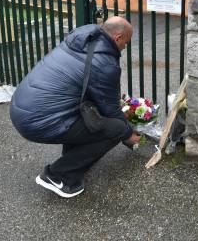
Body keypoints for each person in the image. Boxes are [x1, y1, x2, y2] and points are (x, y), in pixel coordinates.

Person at [10, 16, 140, 198]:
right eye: (126, 42)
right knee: (116, 129)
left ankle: (72, 161)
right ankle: (58, 176)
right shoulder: (104, 64)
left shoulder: (82, 40)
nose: (125, 47)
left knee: (85, 114)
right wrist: (128, 134)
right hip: (37, 120)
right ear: (118, 38)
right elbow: (111, 111)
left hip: (21, 106)